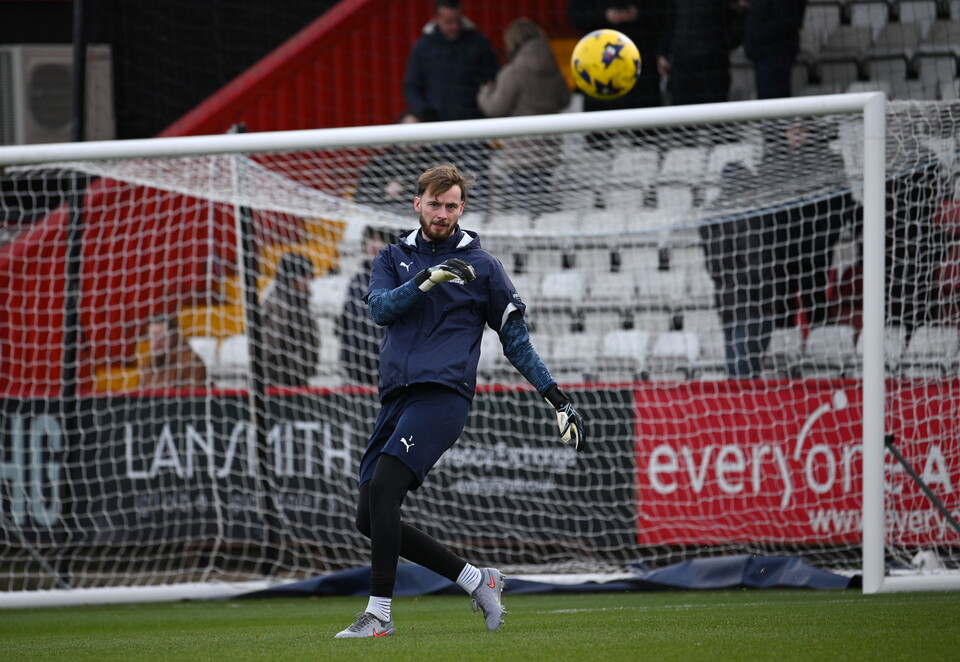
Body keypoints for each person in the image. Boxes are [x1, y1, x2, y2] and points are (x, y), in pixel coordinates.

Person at [335, 164, 586, 638]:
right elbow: (379, 310)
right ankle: (478, 579)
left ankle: (379, 616)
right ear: (417, 204)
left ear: (461, 208)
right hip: (396, 400)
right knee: (369, 517)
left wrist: (556, 396)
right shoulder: (393, 255)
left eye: (451, 205)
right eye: (435, 204)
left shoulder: (484, 266)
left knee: (386, 490)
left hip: (444, 397)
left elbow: (516, 341)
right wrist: (428, 279)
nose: (443, 213)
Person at [477, 17, 570, 214]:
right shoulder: (553, 70)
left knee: (525, 209)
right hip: (550, 149)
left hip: (522, 153)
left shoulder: (513, 72)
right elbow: (564, 99)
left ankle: (533, 244)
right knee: (542, 202)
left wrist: (485, 93)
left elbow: (495, 108)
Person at [701, 161, 774, 378]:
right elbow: (756, 265)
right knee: (746, 371)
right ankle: (748, 412)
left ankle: (737, 411)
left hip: (725, 301)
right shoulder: (747, 215)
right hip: (751, 302)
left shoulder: (712, 218)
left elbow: (712, 266)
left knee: (734, 368)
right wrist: (768, 301)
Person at [402, 0, 499, 123]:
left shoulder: (478, 43)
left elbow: (493, 79)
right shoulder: (423, 47)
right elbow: (412, 85)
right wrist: (424, 110)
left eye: (457, 20)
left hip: (474, 123)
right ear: (436, 18)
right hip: (437, 124)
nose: (454, 27)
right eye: (448, 22)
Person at [567, 1, 668, 111]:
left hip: (642, 66)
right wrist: (605, 15)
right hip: (597, 67)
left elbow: (665, 13)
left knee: (642, 117)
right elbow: (575, 16)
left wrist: (637, 13)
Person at [352, 110, 445, 216]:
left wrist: (404, 190)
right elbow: (360, 198)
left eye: (416, 130)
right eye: (407, 131)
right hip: (385, 225)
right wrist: (384, 193)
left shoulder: (436, 163)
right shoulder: (381, 163)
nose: (412, 136)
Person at [658, 0, 746, 105]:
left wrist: (721, 45)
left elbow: (740, 14)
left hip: (713, 68)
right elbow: (669, 23)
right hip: (682, 66)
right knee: (683, 114)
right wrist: (662, 53)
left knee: (714, 115)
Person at [336, 226, 391, 385]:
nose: (375, 245)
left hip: (394, 368)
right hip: (360, 369)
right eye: (371, 240)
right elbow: (346, 326)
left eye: (380, 239)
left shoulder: (402, 279)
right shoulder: (356, 281)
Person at [260, 251, 321, 387]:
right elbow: (268, 352)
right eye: (305, 276)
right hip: (276, 386)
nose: (308, 281)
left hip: (296, 382)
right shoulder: (278, 305)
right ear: (292, 278)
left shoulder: (300, 303)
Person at [742, 0, 807, 99]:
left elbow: (786, 21)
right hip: (763, 53)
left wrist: (756, 36)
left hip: (774, 53)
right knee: (767, 103)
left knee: (773, 102)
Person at [139, 315, 208, 389]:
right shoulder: (147, 366)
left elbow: (192, 398)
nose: (157, 343)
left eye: (163, 337)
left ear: (174, 337)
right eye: (153, 337)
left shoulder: (192, 362)